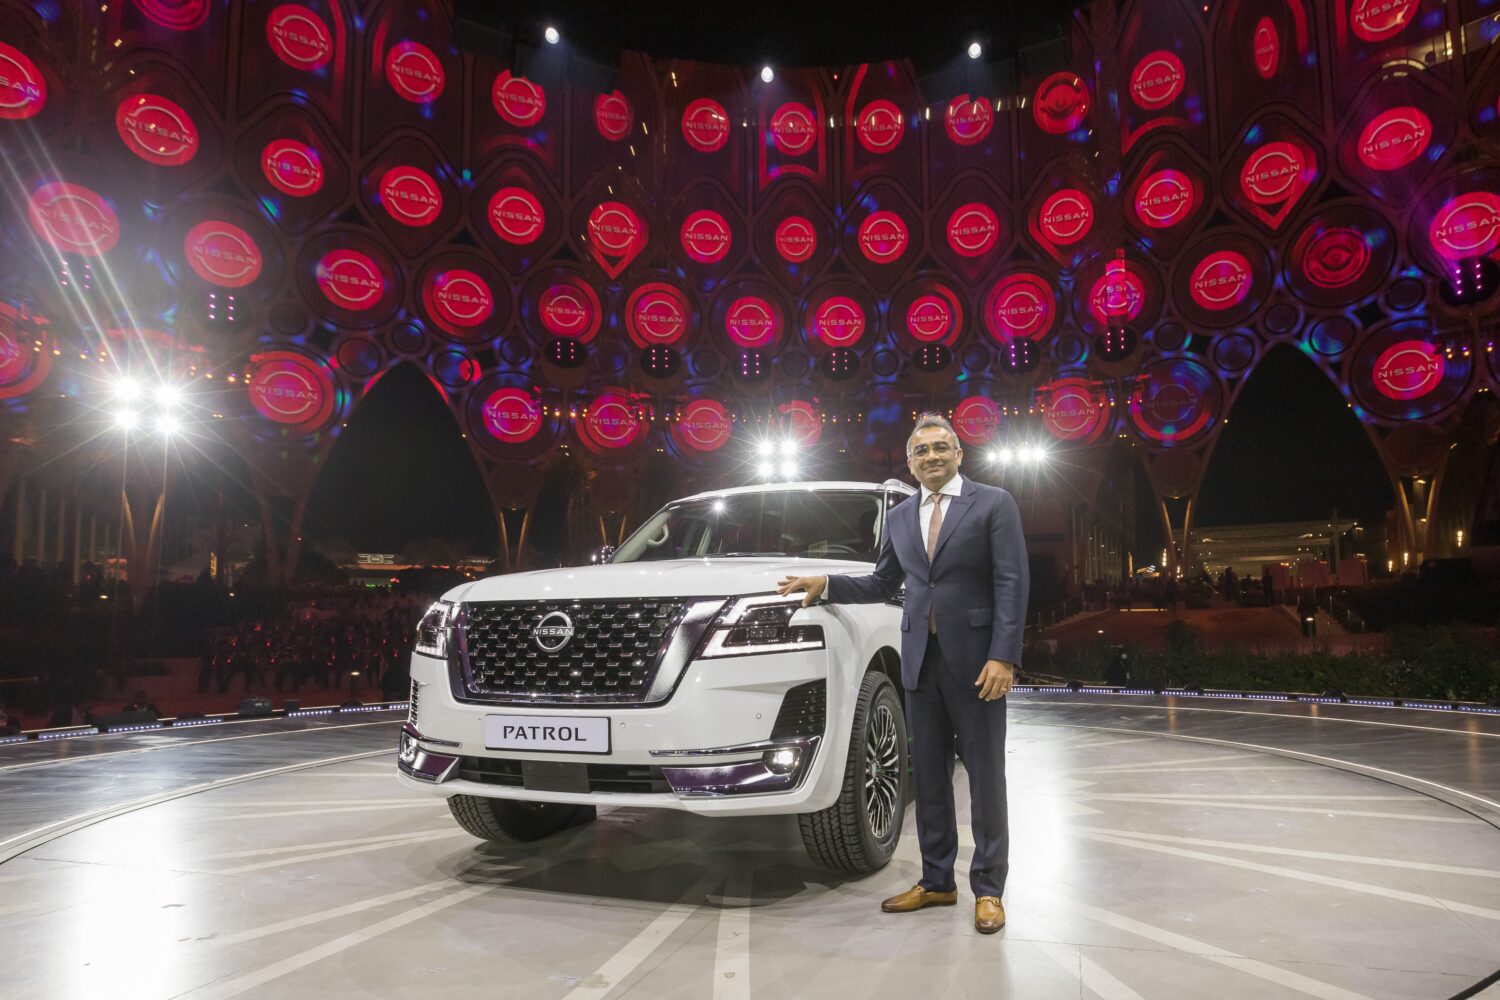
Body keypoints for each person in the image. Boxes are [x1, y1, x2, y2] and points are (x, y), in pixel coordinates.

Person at [777, 413, 1029, 936]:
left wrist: (1003, 656)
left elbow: (1012, 582)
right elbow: (882, 582)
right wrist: (827, 583)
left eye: (940, 447)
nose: (931, 456)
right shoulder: (900, 516)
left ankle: (988, 888)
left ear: (959, 454)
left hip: (978, 664)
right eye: (921, 451)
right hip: (919, 661)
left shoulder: (993, 503)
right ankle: (937, 880)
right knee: (930, 779)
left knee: (985, 779)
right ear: (910, 463)